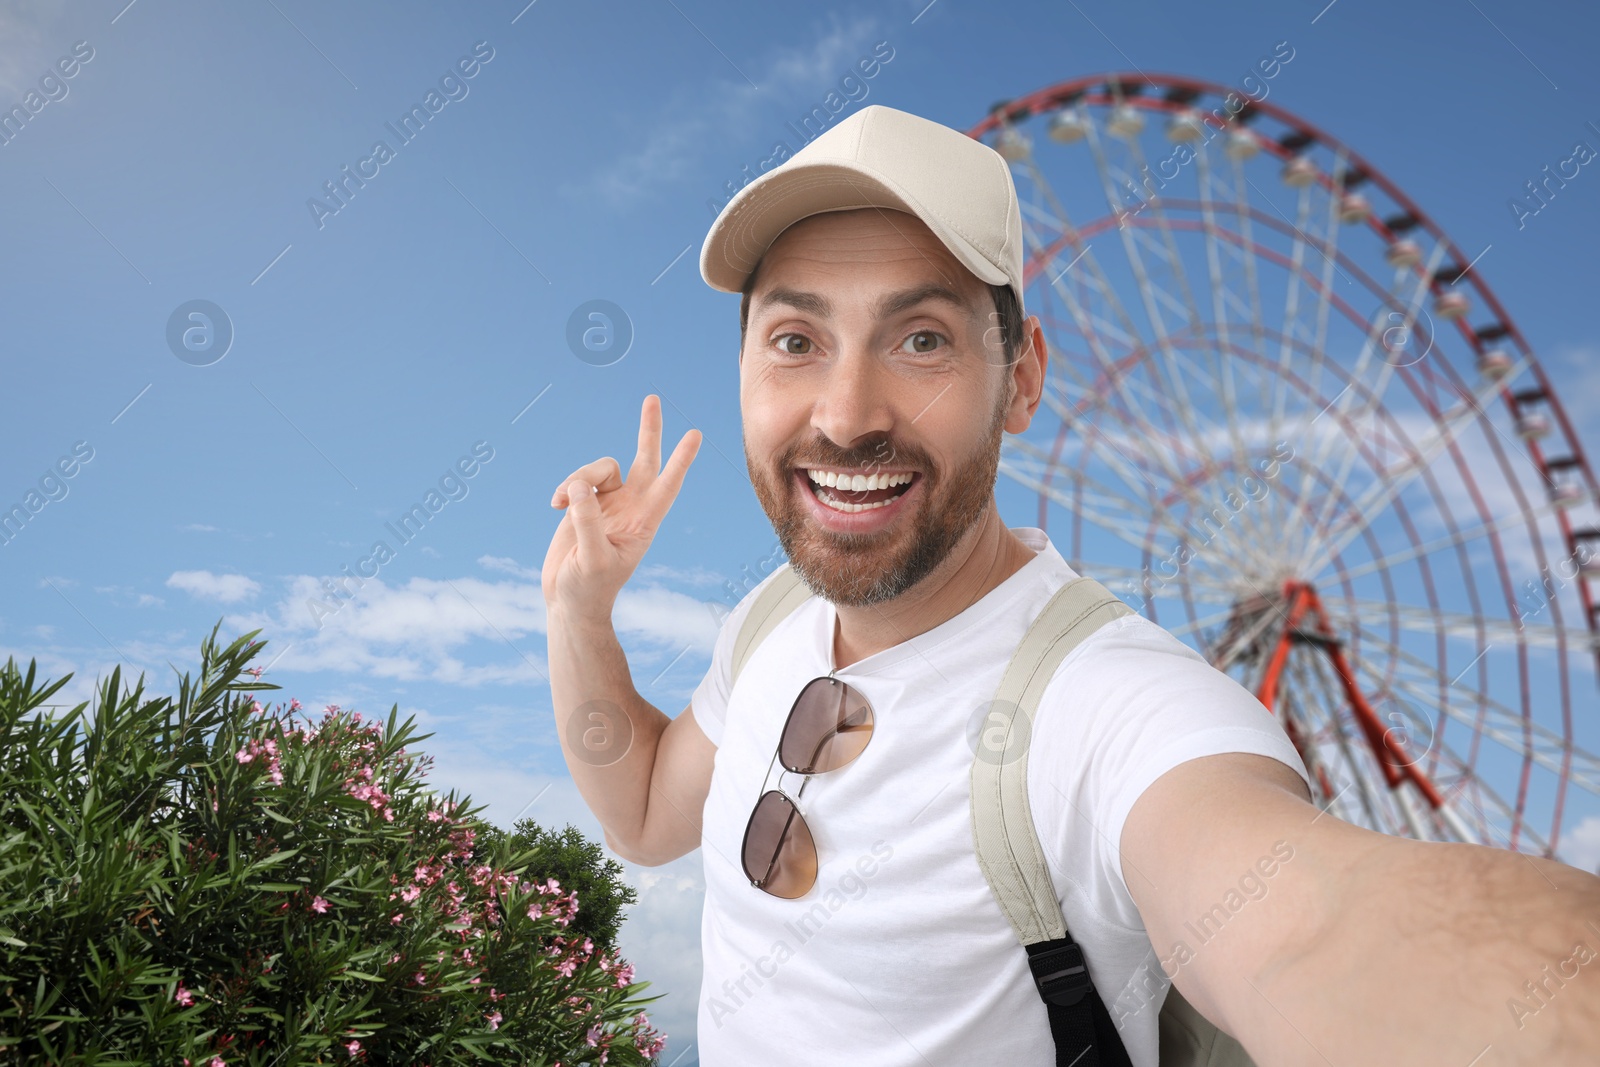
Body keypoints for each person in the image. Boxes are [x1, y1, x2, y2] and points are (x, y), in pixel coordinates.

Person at [541, 105, 1600, 1065]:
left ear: (1025, 377)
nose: (846, 410)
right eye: (794, 340)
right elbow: (641, 814)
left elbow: (1314, 926)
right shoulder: (768, 622)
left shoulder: (1109, 708)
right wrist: (578, 609)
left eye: (921, 340)